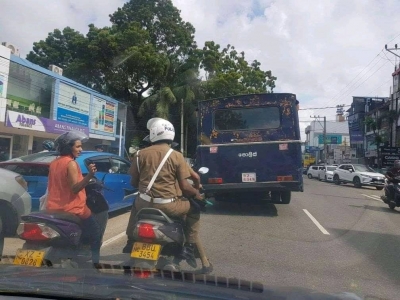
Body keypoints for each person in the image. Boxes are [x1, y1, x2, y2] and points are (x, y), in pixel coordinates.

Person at [123, 118, 212, 273]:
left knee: (136, 204)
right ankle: (189, 248)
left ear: (153, 134)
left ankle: (131, 240)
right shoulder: (176, 155)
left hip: (144, 204)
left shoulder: (139, 154)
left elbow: (133, 183)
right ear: (170, 135)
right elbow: (185, 186)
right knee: (193, 210)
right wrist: (197, 195)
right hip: (168, 206)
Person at [46, 130, 102, 264]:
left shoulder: (54, 163)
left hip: (53, 209)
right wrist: (89, 175)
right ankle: (95, 265)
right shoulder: (71, 163)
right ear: (68, 147)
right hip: (73, 209)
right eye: (77, 146)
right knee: (95, 233)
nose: (81, 149)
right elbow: (75, 188)